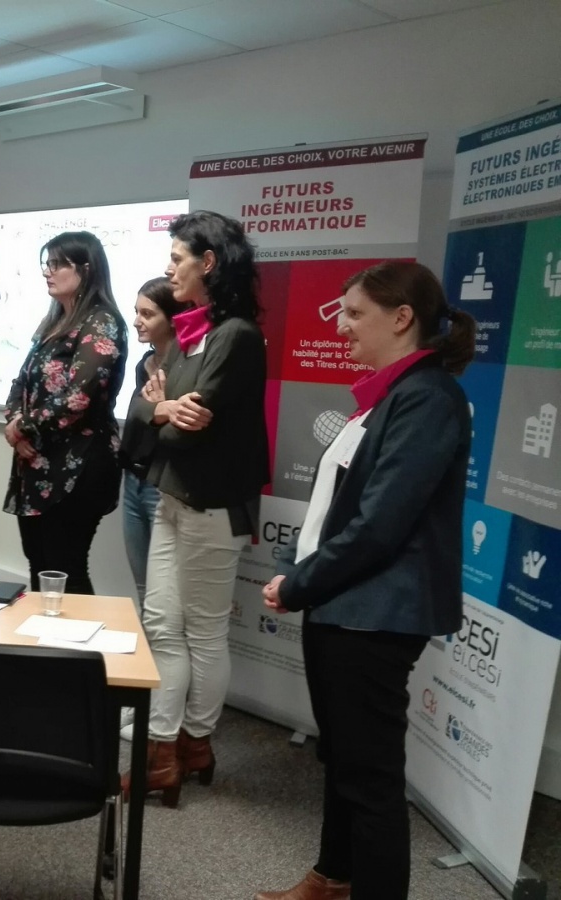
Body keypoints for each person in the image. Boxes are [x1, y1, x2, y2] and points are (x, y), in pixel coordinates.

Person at [254, 262, 475, 900]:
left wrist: (300, 584)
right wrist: (299, 571)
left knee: (370, 778)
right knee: (343, 758)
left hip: (375, 613)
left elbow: (380, 525)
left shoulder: (428, 398)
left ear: (402, 318)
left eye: (355, 314)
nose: (342, 327)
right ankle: (332, 879)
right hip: (342, 603)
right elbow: (336, 509)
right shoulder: (385, 397)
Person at [123, 211, 269, 805]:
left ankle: (194, 744)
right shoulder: (192, 331)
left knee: (203, 631)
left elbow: (186, 430)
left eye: (177, 258)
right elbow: (143, 409)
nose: (168, 268)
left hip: (213, 505)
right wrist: (161, 408)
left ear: (208, 263)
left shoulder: (235, 335)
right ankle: (163, 751)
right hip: (173, 497)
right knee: (162, 625)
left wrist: (160, 412)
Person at [2, 230, 127, 594]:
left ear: (86, 269)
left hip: (80, 464)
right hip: (37, 461)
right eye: (47, 263)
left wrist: (24, 427)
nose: (48, 271)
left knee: (65, 567)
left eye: (57, 264)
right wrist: (15, 423)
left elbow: (80, 396)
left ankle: (77, 635)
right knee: (39, 561)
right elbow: (21, 383)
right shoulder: (55, 321)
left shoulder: (102, 321)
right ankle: (44, 632)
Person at [118, 278, 188, 608]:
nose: (136, 321)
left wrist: (156, 412)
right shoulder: (143, 364)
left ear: (172, 319)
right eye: (136, 312)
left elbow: (175, 424)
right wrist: (153, 411)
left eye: (147, 314)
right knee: (144, 588)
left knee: (165, 594)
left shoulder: (188, 367)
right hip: (133, 478)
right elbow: (137, 419)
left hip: (162, 484)